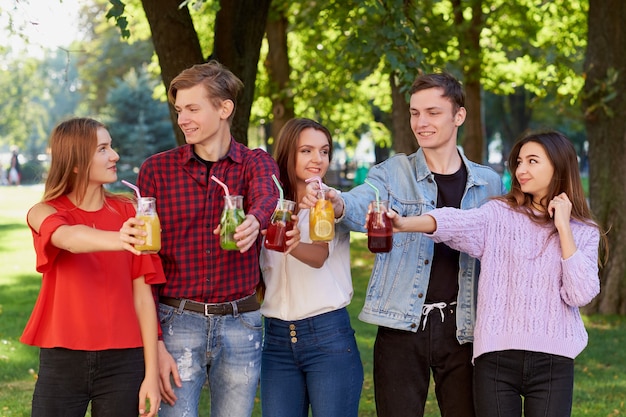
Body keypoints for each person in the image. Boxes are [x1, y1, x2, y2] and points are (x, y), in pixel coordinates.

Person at [302, 72, 503, 417]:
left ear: (459, 116)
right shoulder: (393, 172)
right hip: (401, 324)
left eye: (433, 112)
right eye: (414, 113)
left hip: (464, 328)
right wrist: (336, 202)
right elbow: (359, 203)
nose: (421, 122)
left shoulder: (488, 183)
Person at [388, 130, 604, 417]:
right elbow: (454, 221)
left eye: (532, 161)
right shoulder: (498, 214)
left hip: (554, 361)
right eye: (518, 161)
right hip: (496, 360)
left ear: (559, 165)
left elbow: (580, 293)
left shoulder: (583, 231)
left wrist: (564, 228)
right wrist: (404, 224)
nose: (520, 169)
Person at [131, 60, 280, 417]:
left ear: (224, 108)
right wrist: (156, 342)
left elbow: (268, 196)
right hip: (177, 319)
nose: (183, 119)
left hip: (241, 322)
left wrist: (254, 222)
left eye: (193, 108)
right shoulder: (157, 170)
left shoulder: (254, 163)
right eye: (180, 109)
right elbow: (146, 262)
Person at [20, 117, 164, 417]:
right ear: (75, 162)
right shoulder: (44, 211)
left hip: (124, 361)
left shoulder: (130, 211)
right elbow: (69, 238)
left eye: (111, 147)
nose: (115, 156)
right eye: (103, 149)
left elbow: (143, 298)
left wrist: (151, 373)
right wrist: (122, 237)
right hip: (63, 358)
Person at [259, 118, 364, 417]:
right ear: (288, 153)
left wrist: (291, 244)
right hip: (276, 340)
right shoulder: (269, 205)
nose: (318, 159)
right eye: (306, 150)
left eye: (324, 151)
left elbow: (319, 256)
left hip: (328, 337)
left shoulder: (328, 200)